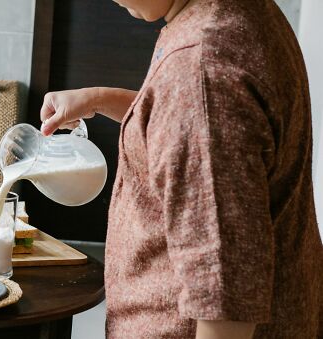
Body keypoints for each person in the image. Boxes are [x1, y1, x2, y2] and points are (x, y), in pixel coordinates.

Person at [40, 0, 321, 338]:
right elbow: (190, 126)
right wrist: (100, 98)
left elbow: (224, 294)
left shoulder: (200, 66)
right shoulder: (236, 12)